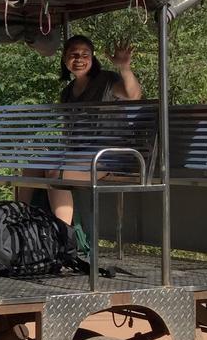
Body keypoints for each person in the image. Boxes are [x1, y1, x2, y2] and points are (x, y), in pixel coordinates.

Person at [48, 35, 142, 225]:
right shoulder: (67, 92)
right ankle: (21, 227)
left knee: (55, 173)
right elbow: (70, 136)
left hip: (111, 157)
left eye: (85, 54)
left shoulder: (107, 80)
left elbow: (133, 95)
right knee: (30, 169)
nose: (79, 59)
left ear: (93, 58)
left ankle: (62, 236)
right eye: (74, 54)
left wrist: (124, 68)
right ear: (65, 59)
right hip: (82, 158)